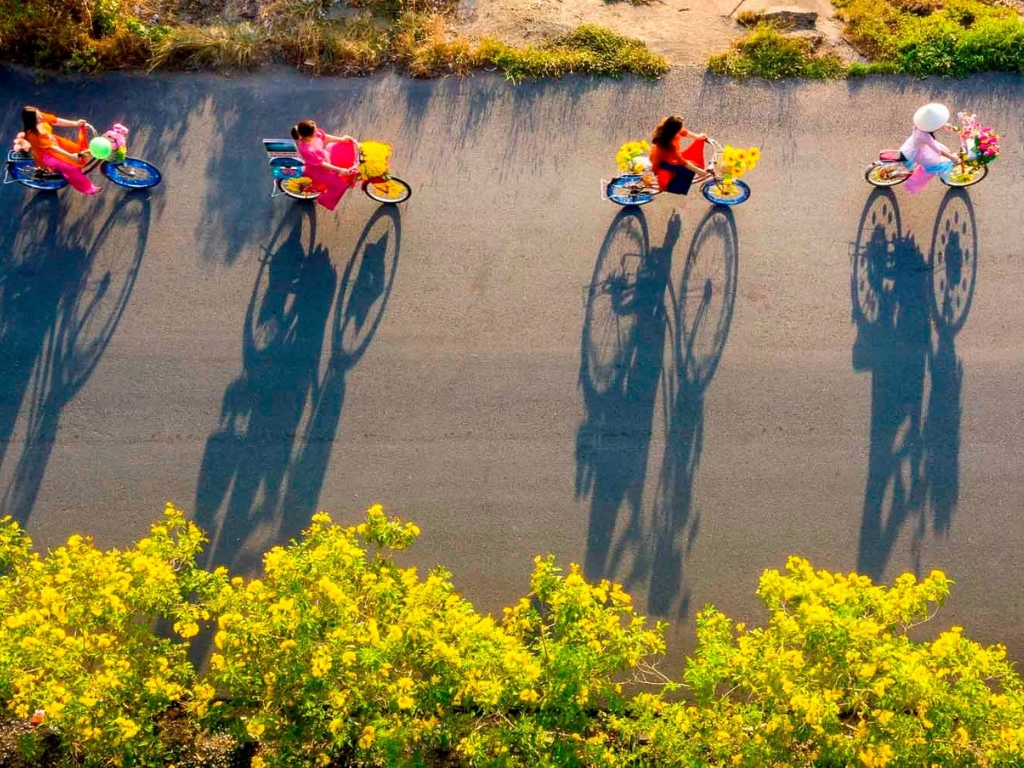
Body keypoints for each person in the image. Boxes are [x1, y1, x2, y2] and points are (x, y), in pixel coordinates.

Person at [21, 106, 100, 195]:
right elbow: (51, 147)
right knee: (71, 168)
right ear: (31, 121)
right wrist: (70, 156)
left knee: (78, 150)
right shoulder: (31, 134)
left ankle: (75, 167)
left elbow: (56, 121)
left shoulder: (39, 116)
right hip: (47, 154)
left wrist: (76, 123)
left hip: (55, 142)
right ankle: (88, 188)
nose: (41, 117)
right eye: (38, 118)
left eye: (40, 114)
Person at [291, 119, 360, 211]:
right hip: (320, 171)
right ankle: (323, 199)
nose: (317, 132)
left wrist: (341, 139)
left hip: (326, 157)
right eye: (315, 131)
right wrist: (339, 170)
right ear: (307, 136)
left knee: (343, 149)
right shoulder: (307, 150)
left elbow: (325, 137)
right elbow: (321, 164)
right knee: (339, 185)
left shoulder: (314, 134)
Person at [900, 103, 960, 194]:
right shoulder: (925, 136)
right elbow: (938, 150)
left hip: (912, 146)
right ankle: (912, 185)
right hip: (916, 152)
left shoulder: (919, 125)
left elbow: (930, 125)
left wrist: (944, 126)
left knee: (940, 153)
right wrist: (952, 157)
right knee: (933, 166)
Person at [649, 115, 709, 196]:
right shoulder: (669, 145)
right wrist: (698, 170)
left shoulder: (666, 127)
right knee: (687, 171)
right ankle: (671, 188)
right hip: (663, 162)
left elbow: (683, 132)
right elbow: (681, 161)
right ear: (675, 130)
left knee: (689, 166)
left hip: (665, 157)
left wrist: (697, 137)